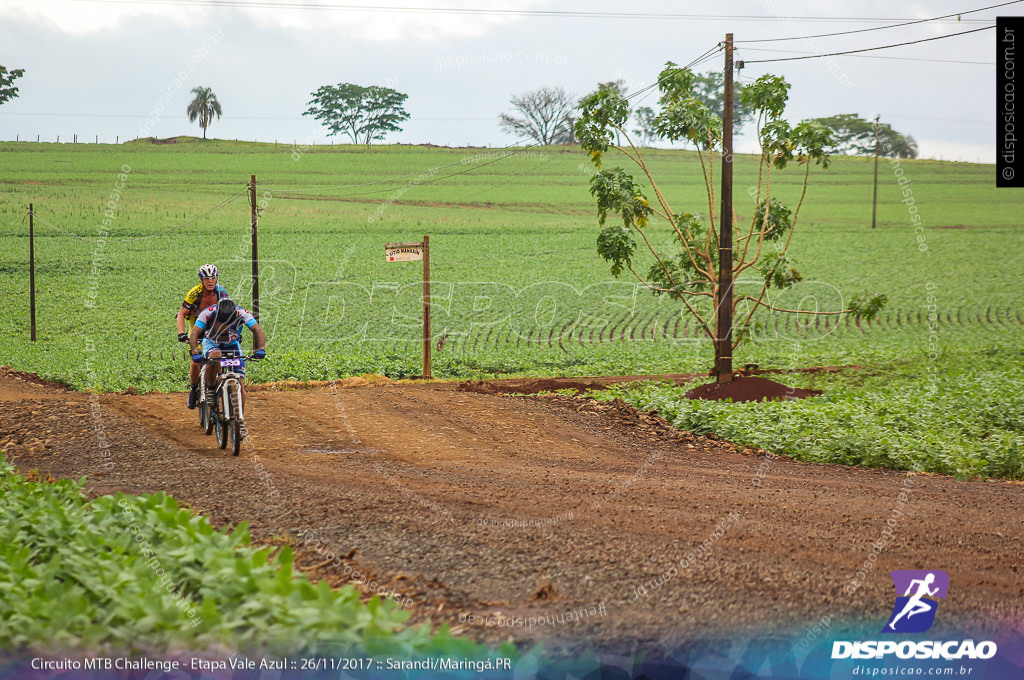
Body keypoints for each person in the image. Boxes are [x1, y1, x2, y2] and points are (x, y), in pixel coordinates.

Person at [188, 298, 266, 412]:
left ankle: (239, 418)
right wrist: (195, 352)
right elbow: (195, 333)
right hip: (211, 342)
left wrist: (261, 349)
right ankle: (211, 388)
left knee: (239, 382)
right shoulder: (207, 313)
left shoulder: (242, 313)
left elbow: (257, 330)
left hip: (232, 344)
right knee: (215, 355)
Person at [177, 264, 230, 409]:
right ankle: (194, 389)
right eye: (207, 278)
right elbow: (181, 314)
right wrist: (181, 333)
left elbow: (229, 312)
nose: (210, 281)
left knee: (218, 358)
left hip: (216, 329)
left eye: (213, 278)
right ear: (201, 280)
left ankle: (216, 382)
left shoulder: (221, 292)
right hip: (198, 329)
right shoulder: (195, 294)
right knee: (195, 361)